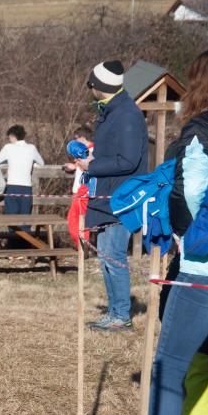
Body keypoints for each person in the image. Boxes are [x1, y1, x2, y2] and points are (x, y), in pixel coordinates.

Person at [147, 46, 208, 415]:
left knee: (169, 368)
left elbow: (188, 191)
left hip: (206, 271)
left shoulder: (205, 129)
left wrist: (184, 236)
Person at [78, 60, 148, 331]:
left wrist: (92, 166)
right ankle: (114, 312)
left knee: (114, 255)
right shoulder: (110, 111)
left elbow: (128, 161)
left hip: (122, 197)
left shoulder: (127, 114)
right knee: (106, 256)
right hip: (106, 194)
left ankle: (121, 317)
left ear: (99, 86)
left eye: (90, 84)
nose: (90, 89)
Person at [0, 125, 44, 239]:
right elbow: (41, 163)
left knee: (12, 220)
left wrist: (9, 162)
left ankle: (13, 246)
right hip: (26, 188)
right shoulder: (31, 148)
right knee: (25, 220)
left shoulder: (8, 148)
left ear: (12, 136)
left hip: (12, 187)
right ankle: (25, 246)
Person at [63, 126, 94, 194]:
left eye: (76, 139)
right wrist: (75, 166)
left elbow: (90, 169)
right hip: (80, 192)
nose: (75, 142)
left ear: (82, 138)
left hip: (83, 193)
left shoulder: (91, 151)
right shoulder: (85, 151)